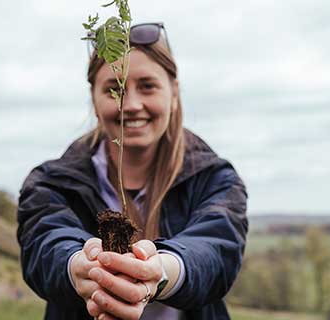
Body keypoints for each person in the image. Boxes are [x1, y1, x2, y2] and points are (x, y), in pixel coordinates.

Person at [17, 22, 248, 320]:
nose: (132, 104)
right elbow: (44, 241)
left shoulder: (216, 179)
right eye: (115, 89)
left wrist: (161, 271)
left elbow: (217, 250)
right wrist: (78, 266)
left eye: (147, 86)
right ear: (94, 98)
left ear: (174, 92)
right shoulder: (51, 183)